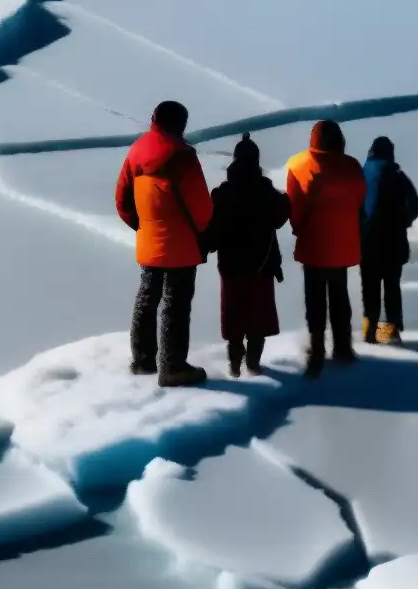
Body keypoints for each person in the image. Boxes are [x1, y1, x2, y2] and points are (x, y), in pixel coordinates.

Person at [114, 100, 212, 387]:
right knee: (176, 304)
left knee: (147, 298)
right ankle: (173, 367)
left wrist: (144, 228)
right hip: (181, 244)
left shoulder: (137, 150)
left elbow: (122, 200)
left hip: (150, 242)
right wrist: (202, 232)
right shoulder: (183, 156)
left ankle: (142, 360)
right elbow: (201, 207)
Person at [204, 133, 290, 377]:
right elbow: (281, 216)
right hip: (261, 264)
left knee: (233, 313)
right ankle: (253, 363)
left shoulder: (222, 194)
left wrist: (205, 246)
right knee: (258, 314)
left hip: (230, 264)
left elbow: (213, 229)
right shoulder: (267, 192)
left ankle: (234, 364)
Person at [285, 120, 365, 377]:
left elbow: (293, 207)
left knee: (315, 297)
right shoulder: (351, 166)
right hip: (342, 244)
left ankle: (317, 348)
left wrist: (299, 227)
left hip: (312, 244)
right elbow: (360, 199)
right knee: (340, 295)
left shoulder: (297, 165)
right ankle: (343, 348)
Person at [358, 135, 418, 345]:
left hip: (367, 244)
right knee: (392, 287)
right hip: (394, 243)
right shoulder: (398, 176)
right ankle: (391, 331)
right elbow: (414, 205)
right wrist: (404, 222)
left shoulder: (361, 175)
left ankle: (370, 330)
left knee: (370, 287)